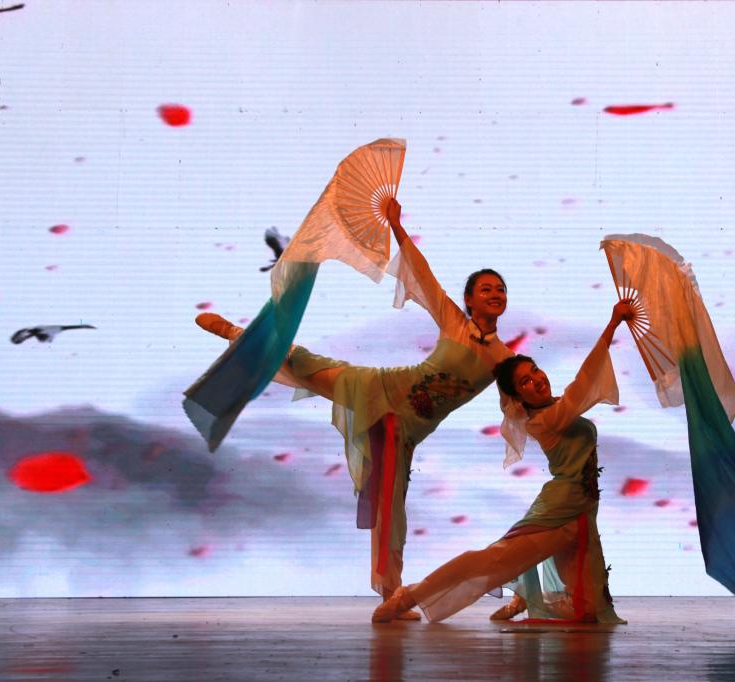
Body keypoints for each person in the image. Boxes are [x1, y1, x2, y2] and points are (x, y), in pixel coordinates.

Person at [196, 199, 513, 619]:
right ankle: (238, 334)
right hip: (381, 389)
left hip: (407, 430)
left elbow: (524, 400)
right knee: (308, 365)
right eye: (486, 289)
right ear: (469, 299)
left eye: (500, 289)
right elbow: (421, 274)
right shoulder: (455, 322)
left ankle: (391, 595)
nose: (495, 294)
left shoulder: (504, 360)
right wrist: (397, 225)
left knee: (391, 510)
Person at [372, 300, 636, 624]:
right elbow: (584, 383)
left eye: (534, 371)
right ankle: (407, 596)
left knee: (591, 609)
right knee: (492, 561)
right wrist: (612, 325)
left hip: (583, 510)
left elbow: (575, 394)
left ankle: (524, 599)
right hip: (561, 512)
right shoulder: (545, 420)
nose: (536, 380)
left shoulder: (555, 407)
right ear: (519, 398)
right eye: (525, 382)